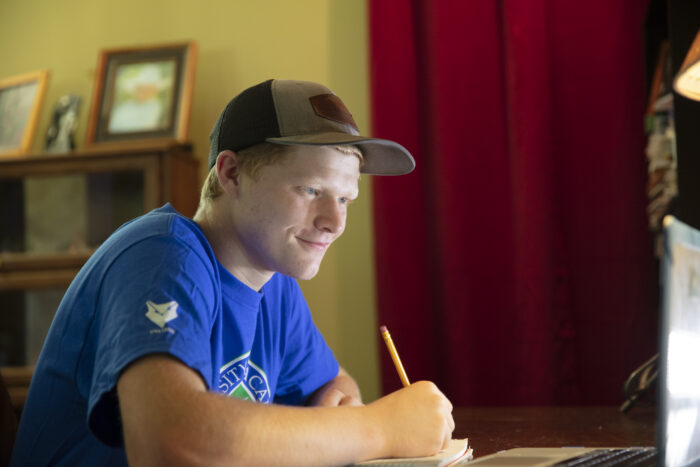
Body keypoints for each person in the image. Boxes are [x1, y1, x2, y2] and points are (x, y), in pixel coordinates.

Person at [10, 79, 454, 466]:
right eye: (311, 189)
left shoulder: (275, 282)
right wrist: (376, 429)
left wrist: (335, 406)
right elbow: (170, 444)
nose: (334, 222)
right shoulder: (162, 253)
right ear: (232, 173)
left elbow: (333, 383)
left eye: (345, 199)